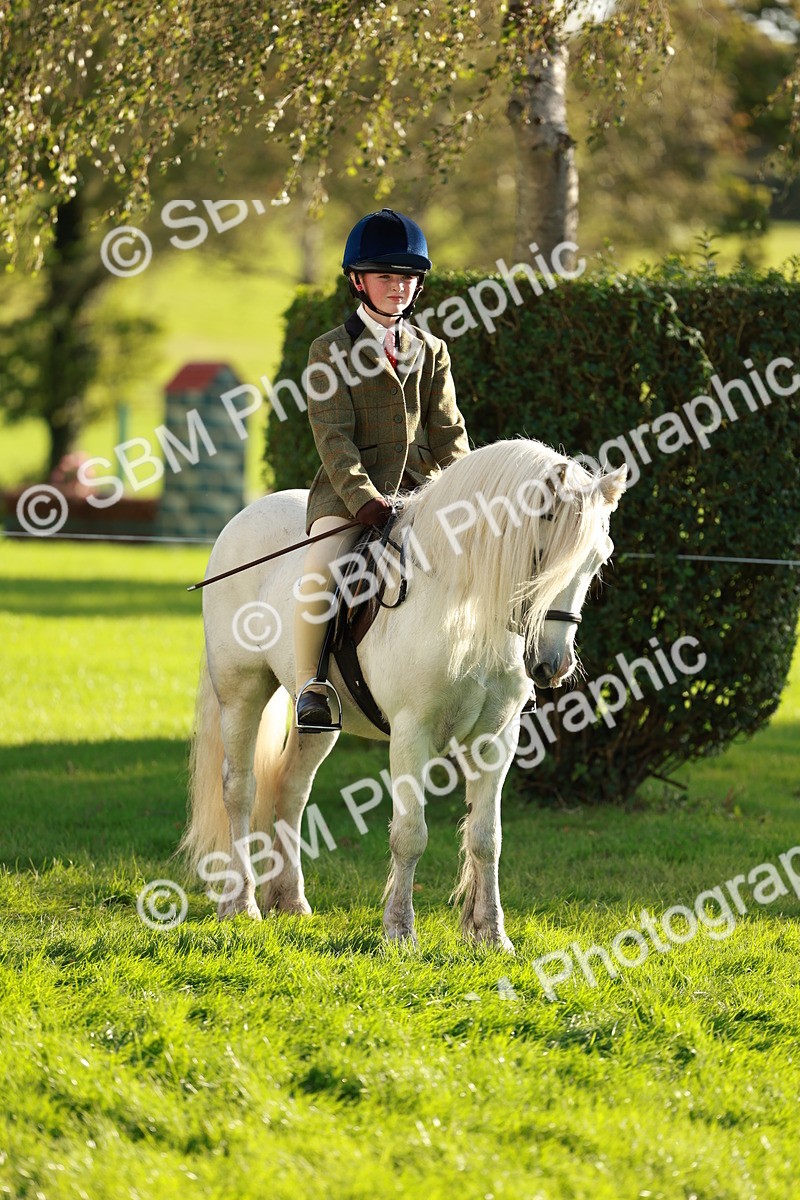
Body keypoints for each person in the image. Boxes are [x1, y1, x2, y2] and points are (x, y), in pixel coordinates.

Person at [293, 207, 471, 728]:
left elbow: (448, 432)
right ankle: (312, 685)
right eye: (386, 277)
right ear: (357, 280)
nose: (399, 288)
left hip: (421, 494)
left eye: (408, 278)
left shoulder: (431, 350)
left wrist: (463, 490)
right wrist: (364, 499)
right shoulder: (329, 350)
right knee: (320, 571)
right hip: (349, 500)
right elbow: (333, 437)